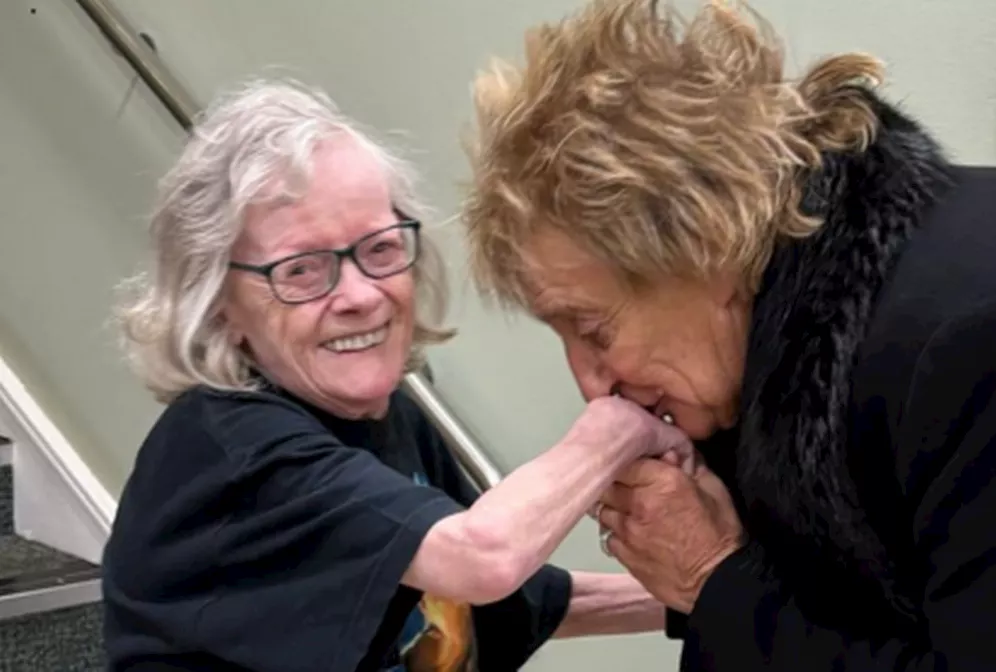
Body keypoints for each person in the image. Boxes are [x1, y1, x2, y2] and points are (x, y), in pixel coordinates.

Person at [459, 0, 996, 669]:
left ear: (703, 247)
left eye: (593, 329)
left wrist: (717, 580)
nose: (591, 382)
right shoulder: (795, 336)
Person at [102, 78, 687, 672]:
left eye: (379, 250)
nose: (360, 295)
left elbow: (512, 600)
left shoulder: (388, 419)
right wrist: (619, 429)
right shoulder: (231, 447)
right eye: (302, 270)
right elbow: (482, 560)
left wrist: (715, 588)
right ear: (221, 307)